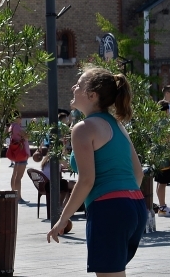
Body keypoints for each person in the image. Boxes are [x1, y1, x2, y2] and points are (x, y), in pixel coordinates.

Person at [46, 67, 147, 277]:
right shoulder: (117, 125)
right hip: (135, 206)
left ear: (92, 96)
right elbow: (138, 173)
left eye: (79, 84)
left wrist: (63, 218)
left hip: (109, 208)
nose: (73, 87)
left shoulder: (83, 128)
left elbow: (86, 180)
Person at [155, 100, 170, 216]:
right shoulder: (165, 123)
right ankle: (163, 207)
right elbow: (168, 143)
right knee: (163, 183)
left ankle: (161, 206)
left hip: (157, 157)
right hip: (164, 158)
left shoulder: (156, 122)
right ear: (167, 110)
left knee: (160, 182)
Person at [8, 112, 30, 203]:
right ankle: (18, 197)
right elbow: (27, 136)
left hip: (16, 153)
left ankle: (14, 195)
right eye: (20, 117)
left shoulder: (11, 126)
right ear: (16, 118)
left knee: (14, 175)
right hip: (21, 153)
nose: (21, 119)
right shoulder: (17, 127)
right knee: (18, 177)